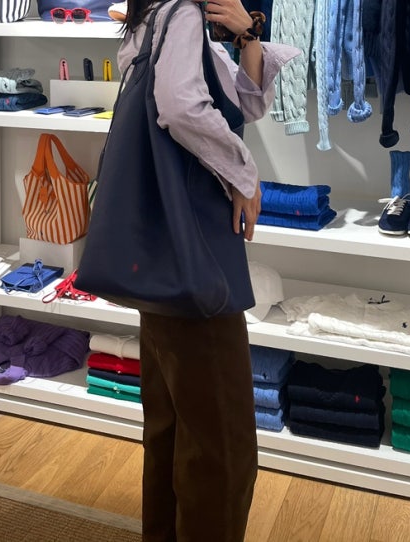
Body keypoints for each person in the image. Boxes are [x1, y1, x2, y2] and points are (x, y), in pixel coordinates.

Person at [117, 1, 299, 540]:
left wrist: (248, 36)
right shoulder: (182, 16)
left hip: (163, 254)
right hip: (195, 253)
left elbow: (244, 103)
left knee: (172, 429)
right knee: (222, 445)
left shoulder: (154, 17)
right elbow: (181, 108)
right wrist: (244, 173)